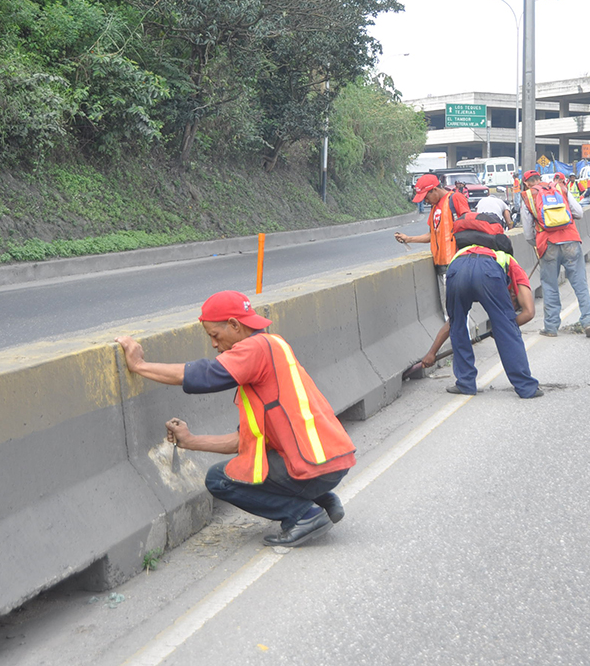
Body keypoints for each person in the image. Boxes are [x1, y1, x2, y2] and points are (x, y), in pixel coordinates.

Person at [114, 291, 356, 548]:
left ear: (234, 325)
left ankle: (304, 515)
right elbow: (246, 442)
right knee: (248, 463)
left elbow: (205, 374)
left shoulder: (254, 348)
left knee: (219, 479)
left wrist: (139, 365)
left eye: (214, 335)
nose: (215, 345)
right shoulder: (274, 347)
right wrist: (191, 441)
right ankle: (322, 500)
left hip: (309, 465)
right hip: (331, 461)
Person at [420, 213, 542, 398]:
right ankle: (526, 388)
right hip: (488, 273)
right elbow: (529, 312)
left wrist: (431, 353)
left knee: (458, 324)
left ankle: (466, 384)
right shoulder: (508, 260)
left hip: (456, 270)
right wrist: (503, 328)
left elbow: (452, 324)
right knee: (507, 328)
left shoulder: (460, 253)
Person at [520, 169, 590, 338]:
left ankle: (551, 327)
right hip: (571, 241)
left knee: (550, 286)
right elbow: (579, 212)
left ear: (526, 183)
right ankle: (589, 321)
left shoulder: (528, 196)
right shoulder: (559, 188)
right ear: (539, 178)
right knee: (580, 284)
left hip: (548, 245)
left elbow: (527, 232)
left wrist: (539, 242)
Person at [395, 173, 470, 317]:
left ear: (434, 190)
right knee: (448, 313)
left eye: (426, 197)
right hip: (441, 267)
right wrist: (408, 239)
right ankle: (459, 338)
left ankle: (462, 339)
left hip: (456, 265)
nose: (426, 201)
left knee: (458, 312)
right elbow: (432, 235)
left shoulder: (455, 199)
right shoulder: (435, 208)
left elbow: (468, 224)